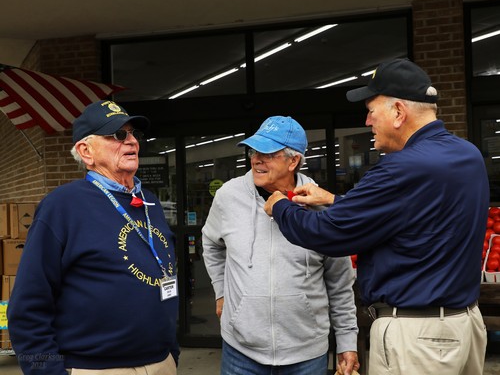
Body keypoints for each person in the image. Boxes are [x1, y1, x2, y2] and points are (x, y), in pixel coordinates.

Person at [263, 59, 490, 375]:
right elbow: (413, 216)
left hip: (417, 338)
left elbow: (329, 233)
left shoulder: (400, 169)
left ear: (398, 112)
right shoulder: (467, 155)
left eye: (372, 110)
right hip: (464, 325)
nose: (368, 121)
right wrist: (334, 200)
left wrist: (280, 206)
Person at [7, 100, 180, 374]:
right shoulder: (62, 206)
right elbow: (27, 308)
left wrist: (170, 352)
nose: (132, 142)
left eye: (133, 133)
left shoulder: (149, 202)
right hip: (96, 368)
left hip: (161, 364)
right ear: (86, 151)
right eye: (118, 135)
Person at [202, 116, 360, 375]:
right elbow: (211, 243)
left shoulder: (319, 205)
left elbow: (340, 284)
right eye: (254, 151)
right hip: (241, 352)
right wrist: (221, 291)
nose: (256, 159)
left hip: (306, 355)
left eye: (268, 153)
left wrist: (346, 342)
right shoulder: (228, 196)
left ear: (293, 161)